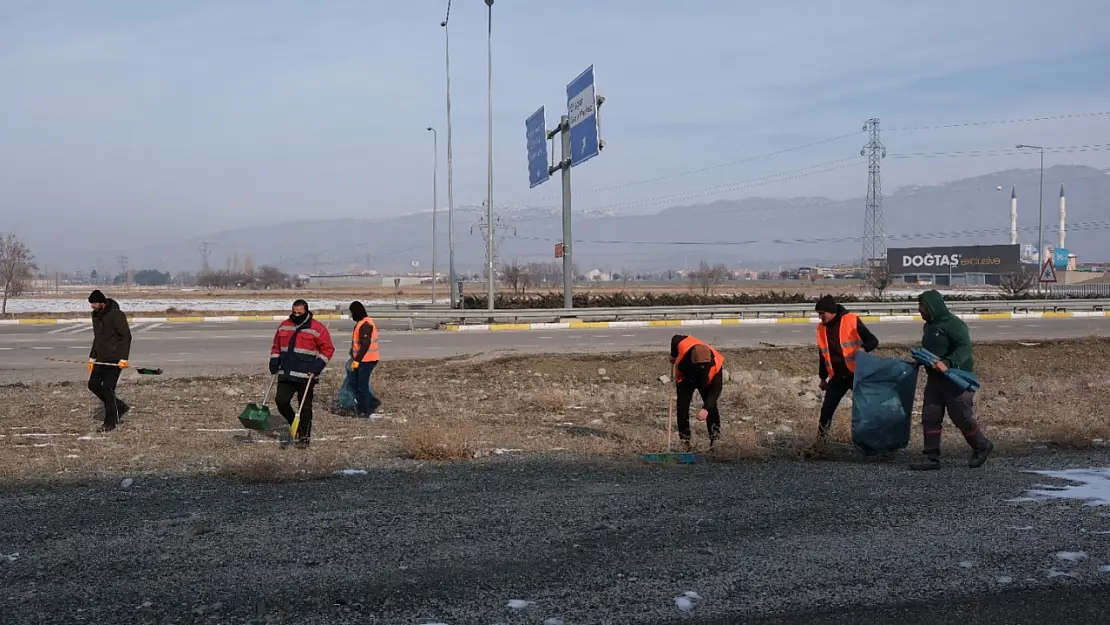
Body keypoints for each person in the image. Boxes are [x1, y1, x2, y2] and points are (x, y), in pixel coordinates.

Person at [911, 290, 993, 470]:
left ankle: (981, 446)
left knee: (961, 417)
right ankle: (931, 457)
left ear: (933, 306)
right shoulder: (929, 326)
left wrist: (948, 363)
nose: (919, 310)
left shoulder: (954, 324)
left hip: (955, 379)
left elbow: (965, 348)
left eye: (922, 306)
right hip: (935, 379)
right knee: (930, 416)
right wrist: (921, 359)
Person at [807, 295, 879, 455]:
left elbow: (873, 341)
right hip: (838, 377)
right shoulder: (821, 328)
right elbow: (823, 354)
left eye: (822, 313)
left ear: (831, 312)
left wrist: (863, 349)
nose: (820, 317)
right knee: (826, 411)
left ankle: (877, 445)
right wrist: (822, 377)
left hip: (857, 376)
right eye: (818, 314)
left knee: (868, 410)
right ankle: (820, 445)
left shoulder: (851, 320)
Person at [269, 299, 335, 447]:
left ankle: (304, 437)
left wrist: (317, 366)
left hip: (306, 375)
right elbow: (276, 347)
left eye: (299, 313)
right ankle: (294, 423)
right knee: (281, 401)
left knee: (304, 407)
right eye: (294, 312)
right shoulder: (284, 326)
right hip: (286, 373)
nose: (296, 315)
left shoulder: (317, 328)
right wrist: (274, 361)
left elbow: (328, 349)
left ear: (306, 311)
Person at [669, 334, 725, 451]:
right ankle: (685, 442)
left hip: (706, 382)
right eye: (700, 366)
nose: (702, 368)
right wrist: (674, 355)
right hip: (686, 379)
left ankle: (715, 441)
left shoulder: (716, 364)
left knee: (711, 409)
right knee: (682, 409)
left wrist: (706, 408)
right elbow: (675, 339)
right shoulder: (683, 345)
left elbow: (717, 388)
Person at [87, 290, 132, 432]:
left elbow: (126, 337)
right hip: (101, 358)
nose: (92, 306)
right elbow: (97, 338)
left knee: (108, 387)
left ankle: (110, 422)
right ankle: (119, 406)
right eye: (91, 304)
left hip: (115, 359)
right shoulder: (96, 316)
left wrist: (124, 358)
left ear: (102, 302)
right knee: (93, 385)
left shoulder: (116, 315)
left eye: (94, 303)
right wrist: (92, 357)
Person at [348, 301, 381, 416]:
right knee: (358, 384)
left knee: (362, 386)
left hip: (367, 360)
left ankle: (365, 411)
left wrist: (357, 361)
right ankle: (372, 402)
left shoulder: (365, 325)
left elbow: (365, 344)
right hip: (364, 359)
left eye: (352, 312)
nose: (351, 315)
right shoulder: (363, 322)